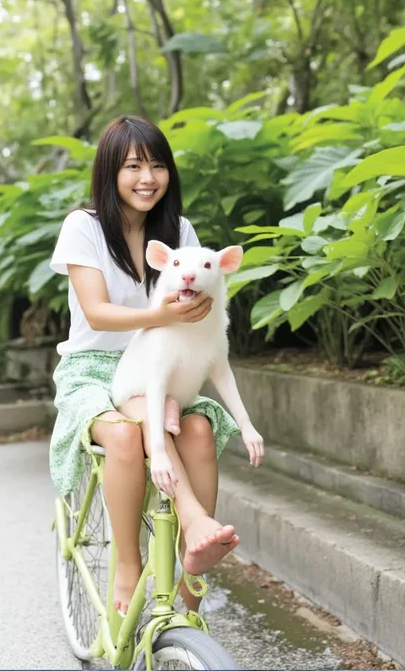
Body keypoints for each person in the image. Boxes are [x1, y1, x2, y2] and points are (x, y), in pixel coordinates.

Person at [49, 115, 250, 616]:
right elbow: (96, 311)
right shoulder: (84, 226)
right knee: (123, 434)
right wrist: (161, 314)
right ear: (110, 171)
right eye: (134, 166)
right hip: (94, 367)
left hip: (166, 363)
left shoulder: (178, 230)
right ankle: (128, 564)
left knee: (200, 432)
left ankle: (190, 564)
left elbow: (204, 308)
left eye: (157, 165)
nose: (147, 178)